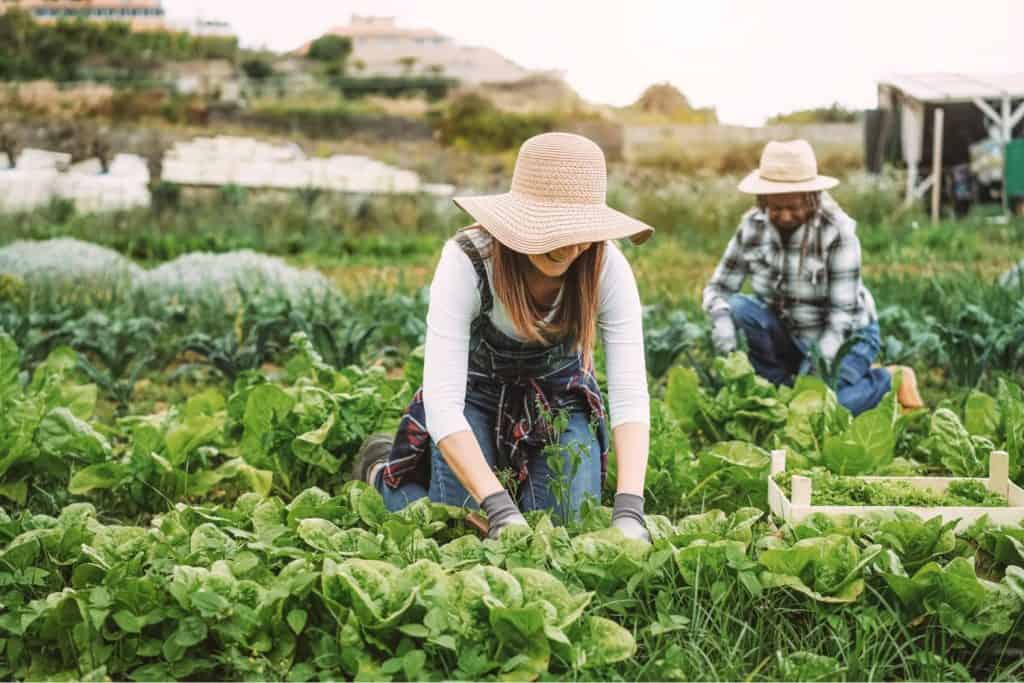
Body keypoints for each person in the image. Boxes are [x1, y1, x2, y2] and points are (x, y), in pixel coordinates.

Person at [355, 132, 655, 541]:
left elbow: (630, 393)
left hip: (558, 398)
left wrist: (630, 510)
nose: (570, 246)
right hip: (472, 397)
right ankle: (378, 468)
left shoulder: (606, 267)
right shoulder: (469, 260)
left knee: (566, 526)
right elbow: (443, 402)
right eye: (553, 226)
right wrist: (498, 509)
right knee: (455, 528)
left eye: (581, 228)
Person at [702, 139, 923, 414]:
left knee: (821, 409)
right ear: (762, 199)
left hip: (846, 336)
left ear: (811, 197)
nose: (783, 215)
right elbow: (719, 288)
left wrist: (813, 378)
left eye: (793, 207)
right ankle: (783, 388)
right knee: (740, 310)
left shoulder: (837, 232)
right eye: (775, 206)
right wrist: (721, 319)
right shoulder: (751, 227)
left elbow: (841, 317)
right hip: (790, 332)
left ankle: (889, 380)